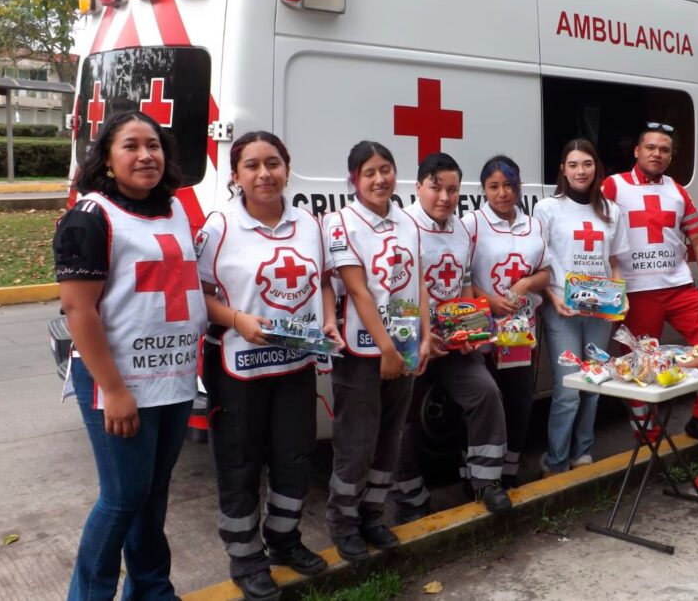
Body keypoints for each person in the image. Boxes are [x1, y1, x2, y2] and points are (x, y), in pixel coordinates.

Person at [54, 111, 207, 601]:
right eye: (131, 146)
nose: (146, 155)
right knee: (122, 499)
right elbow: (79, 312)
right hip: (118, 383)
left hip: (176, 376)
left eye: (155, 145)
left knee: (151, 496)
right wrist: (116, 391)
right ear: (107, 158)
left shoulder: (176, 209)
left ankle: (150, 590)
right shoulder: (90, 216)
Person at [195, 132, 342, 600]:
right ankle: (245, 558)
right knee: (239, 464)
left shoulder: (309, 224)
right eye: (252, 165)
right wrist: (237, 318)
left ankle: (283, 542)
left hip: (294, 363)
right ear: (235, 175)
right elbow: (199, 295)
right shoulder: (219, 227)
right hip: (238, 365)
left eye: (273, 163)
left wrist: (330, 320)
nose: (265, 174)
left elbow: (321, 281)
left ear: (287, 167)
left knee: (294, 458)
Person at [321, 141, 432, 562]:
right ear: (354, 179)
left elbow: (417, 281)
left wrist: (423, 337)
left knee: (391, 437)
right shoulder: (340, 222)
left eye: (385, 169)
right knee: (357, 441)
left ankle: (372, 516)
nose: (379, 179)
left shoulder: (407, 221)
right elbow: (356, 289)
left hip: (403, 350)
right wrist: (386, 349)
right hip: (362, 352)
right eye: (369, 172)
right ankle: (343, 523)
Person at [601, 122, 698, 459]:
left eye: (664, 150)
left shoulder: (677, 189)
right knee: (637, 364)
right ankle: (647, 435)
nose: (657, 154)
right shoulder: (613, 186)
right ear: (637, 151)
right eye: (651, 148)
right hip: (635, 292)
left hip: (678, 288)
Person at [392, 153, 512, 521]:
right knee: (403, 417)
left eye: (452, 189)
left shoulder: (461, 230)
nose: (444, 197)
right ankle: (410, 498)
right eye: (435, 187)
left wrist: (472, 330)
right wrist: (422, 339)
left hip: (451, 337)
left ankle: (485, 482)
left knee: (485, 393)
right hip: (410, 336)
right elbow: (396, 293)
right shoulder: (400, 227)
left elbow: (461, 288)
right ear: (418, 188)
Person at [533, 139, 628, 475]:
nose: (580, 171)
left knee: (594, 383)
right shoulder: (547, 209)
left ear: (596, 166)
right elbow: (539, 262)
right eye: (573, 164)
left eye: (586, 163)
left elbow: (614, 261)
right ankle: (557, 460)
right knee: (568, 388)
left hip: (600, 311)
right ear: (563, 169)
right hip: (561, 310)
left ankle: (582, 452)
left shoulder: (612, 210)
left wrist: (619, 297)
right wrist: (553, 297)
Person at [462, 155, 551, 487]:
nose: (502, 193)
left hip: (519, 332)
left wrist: (526, 283)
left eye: (509, 185)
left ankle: (509, 470)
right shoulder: (471, 223)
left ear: (519, 187)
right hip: (481, 327)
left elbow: (546, 271)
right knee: (482, 401)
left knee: (518, 401)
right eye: (494, 186)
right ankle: (474, 475)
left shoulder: (534, 225)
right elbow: (461, 274)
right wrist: (487, 300)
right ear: (484, 189)